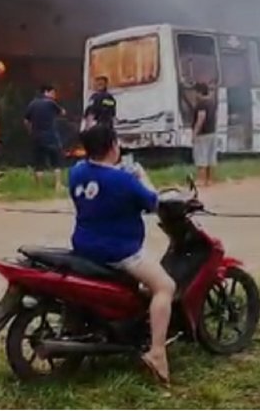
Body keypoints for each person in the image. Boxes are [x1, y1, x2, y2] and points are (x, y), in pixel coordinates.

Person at [69, 124, 176, 384]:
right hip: (119, 251)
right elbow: (153, 202)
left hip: (83, 245)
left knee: (142, 288)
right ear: (112, 147)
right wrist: (141, 175)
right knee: (165, 286)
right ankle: (158, 352)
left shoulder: (77, 171)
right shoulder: (125, 180)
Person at [24, 84, 66, 190]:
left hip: (36, 136)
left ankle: (39, 187)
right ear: (46, 92)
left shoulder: (32, 103)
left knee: (39, 163)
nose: (54, 95)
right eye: (53, 93)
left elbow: (26, 120)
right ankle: (58, 185)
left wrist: (31, 131)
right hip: (50, 136)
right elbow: (62, 112)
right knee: (56, 161)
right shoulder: (50, 103)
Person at [192, 83, 217, 187]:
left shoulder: (201, 104)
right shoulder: (212, 102)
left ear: (199, 92)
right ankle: (210, 180)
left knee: (201, 157)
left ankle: (201, 180)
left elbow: (201, 118)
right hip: (212, 132)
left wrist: (194, 133)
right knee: (211, 157)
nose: (194, 95)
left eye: (195, 92)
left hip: (203, 134)